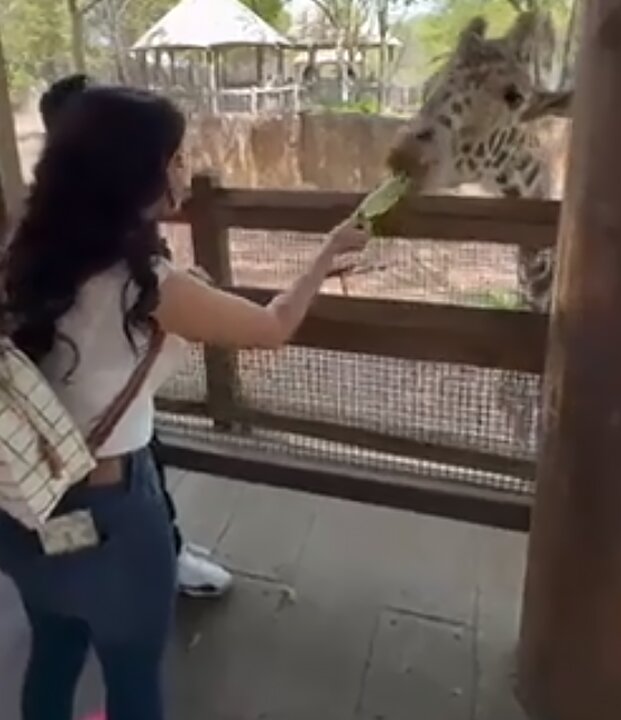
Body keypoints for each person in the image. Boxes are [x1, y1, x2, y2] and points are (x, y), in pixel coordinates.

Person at [0, 84, 369, 718]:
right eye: (173, 158)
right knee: (133, 673)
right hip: (115, 515)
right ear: (134, 173)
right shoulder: (148, 285)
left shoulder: (19, 256)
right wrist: (328, 252)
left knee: (54, 650)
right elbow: (273, 325)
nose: (182, 170)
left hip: (23, 505)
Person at [39, 73, 233, 598]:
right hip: (103, 471)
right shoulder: (105, 261)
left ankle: (69, 582)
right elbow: (270, 327)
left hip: (55, 463)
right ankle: (144, 569)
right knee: (117, 539)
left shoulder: (48, 243)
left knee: (59, 570)